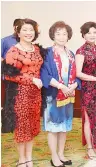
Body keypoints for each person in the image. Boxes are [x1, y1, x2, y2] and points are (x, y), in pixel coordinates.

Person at [2, 18, 44, 167]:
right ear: (18, 32)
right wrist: (31, 80)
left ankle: (29, 157)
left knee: (32, 125)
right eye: (25, 30)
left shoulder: (37, 49)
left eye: (31, 30)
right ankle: (21, 159)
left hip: (36, 94)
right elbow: (9, 74)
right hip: (20, 94)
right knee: (21, 127)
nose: (28, 33)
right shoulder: (14, 50)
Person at [41, 21, 80, 167]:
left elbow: (76, 74)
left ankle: (61, 153)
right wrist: (61, 86)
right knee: (53, 126)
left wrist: (74, 85)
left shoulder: (71, 54)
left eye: (64, 34)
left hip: (68, 95)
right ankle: (54, 156)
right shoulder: (47, 53)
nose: (62, 37)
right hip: (53, 95)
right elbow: (44, 74)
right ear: (53, 35)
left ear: (68, 36)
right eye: (58, 33)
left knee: (64, 125)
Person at [75, 21, 96, 159]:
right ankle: (90, 147)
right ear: (83, 35)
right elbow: (78, 73)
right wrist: (95, 79)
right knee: (88, 119)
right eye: (89, 32)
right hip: (89, 89)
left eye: (94, 32)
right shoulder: (81, 51)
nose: (92, 35)